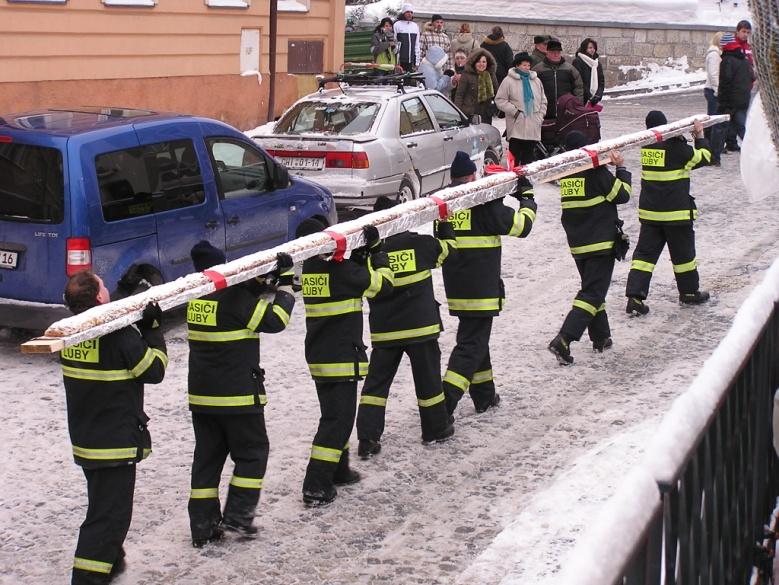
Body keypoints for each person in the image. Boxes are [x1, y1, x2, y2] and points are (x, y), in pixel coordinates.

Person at [186, 241, 295, 546]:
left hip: (203, 398)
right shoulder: (235, 299)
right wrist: (286, 285)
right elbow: (276, 321)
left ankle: (202, 526)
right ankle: (238, 517)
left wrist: (260, 281)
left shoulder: (196, 297)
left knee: (207, 461)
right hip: (237, 397)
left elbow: (237, 299)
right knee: (252, 454)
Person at [61, 271, 167, 584]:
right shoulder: (119, 336)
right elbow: (155, 369)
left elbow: (101, 319)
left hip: (87, 439)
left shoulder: (70, 333)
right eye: (104, 286)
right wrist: (152, 329)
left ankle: (111, 563)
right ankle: (88, 577)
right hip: (114, 442)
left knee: (104, 508)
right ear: (98, 298)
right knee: (109, 518)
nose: (107, 288)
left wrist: (123, 292)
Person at [300, 219, 394, 505]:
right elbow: (384, 285)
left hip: (320, 356)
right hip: (341, 357)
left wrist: (359, 256)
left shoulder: (311, 269)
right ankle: (315, 484)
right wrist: (377, 252)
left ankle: (338, 471)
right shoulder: (341, 272)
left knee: (332, 415)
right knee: (337, 422)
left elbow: (347, 275)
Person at [356, 196, 458, 458]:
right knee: (428, 382)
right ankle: (435, 429)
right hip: (421, 328)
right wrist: (443, 222)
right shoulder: (419, 244)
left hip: (385, 330)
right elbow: (448, 250)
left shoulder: (367, 255)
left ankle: (368, 438)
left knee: (376, 387)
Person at [441, 151, 537, 416]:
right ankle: (444, 403)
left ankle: (484, 396)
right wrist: (527, 198)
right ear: (473, 176)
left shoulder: (448, 204)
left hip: (457, 288)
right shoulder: (483, 202)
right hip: (481, 288)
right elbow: (522, 226)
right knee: (471, 345)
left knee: (475, 340)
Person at [547, 131, 632, 365]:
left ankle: (601, 336)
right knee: (592, 293)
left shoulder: (568, 176)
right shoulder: (596, 174)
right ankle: (564, 339)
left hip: (579, 244)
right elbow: (623, 195)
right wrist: (621, 168)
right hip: (600, 243)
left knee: (593, 289)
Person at [625, 112, 712, 316]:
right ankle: (689, 292)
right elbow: (705, 157)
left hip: (651, 215)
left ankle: (634, 297)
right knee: (683, 256)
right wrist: (699, 136)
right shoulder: (677, 148)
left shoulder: (647, 148)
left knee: (644, 257)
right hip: (676, 214)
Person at [495, 51, 548, 165]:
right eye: (524, 65)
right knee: (514, 157)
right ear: (517, 65)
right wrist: (515, 112)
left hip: (533, 125)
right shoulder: (508, 80)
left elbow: (543, 100)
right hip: (516, 125)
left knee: (528, 158)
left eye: (528, 65)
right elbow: (500, 100)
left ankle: (525, 180)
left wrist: (540, 115)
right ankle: (515, 179)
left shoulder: (536, 80)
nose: (527, 67)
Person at [712, 32, 754, 163]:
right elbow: (752, 77)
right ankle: (755, 153)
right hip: (743, 99)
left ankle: (714, 158)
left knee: (719, 127)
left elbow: (725, 83)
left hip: (730, 101)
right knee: (741, 128)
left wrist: (722, 102)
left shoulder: (727, 60)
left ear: (725, 46)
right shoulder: (744, 59)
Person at [533, 38, 584, 120]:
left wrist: (576, 106)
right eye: (553, 53)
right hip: (544, 114)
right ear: (547, 53)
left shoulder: (570, 69)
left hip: (566, 113)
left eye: (558, 52)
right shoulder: (537, 70)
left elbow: (579, 88)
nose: (556, 55)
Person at [454, 48, 498, 125]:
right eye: (478, 61)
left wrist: (494, 108)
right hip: (470, 113)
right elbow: (459, 95)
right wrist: (458, 112)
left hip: (486, 114)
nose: (481, 64)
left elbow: (496, 92)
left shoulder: (491, 75)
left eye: (484, 62)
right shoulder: (467, 75)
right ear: (474, 62)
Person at [703, 32, 724, 145]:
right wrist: (717, 90)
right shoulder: (714, 54)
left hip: (712, 89)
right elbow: (713, 74)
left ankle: (712, 142)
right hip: (712, 90)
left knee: (713, 117)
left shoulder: (716, 53)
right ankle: (709, 142)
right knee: (713, 118)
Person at [572, 38, 605, 106]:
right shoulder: (578, 62)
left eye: (594, 48)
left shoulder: (597, 63)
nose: (592, 50)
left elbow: (601, 81)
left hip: (594, 101)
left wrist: (598, 95)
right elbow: (579, 82)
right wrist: (589, 96)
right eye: (590, 47)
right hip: (581, 99)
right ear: (584, 48)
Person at [394, 4, 420, 73]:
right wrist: (395, 62)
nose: (409, 14)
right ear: (403, 13)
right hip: (400, 61)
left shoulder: (415, 26)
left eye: (411, 12)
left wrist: (417, 62)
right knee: (399, 81)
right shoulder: (397, 25)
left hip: (411, 61)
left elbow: (417, 45)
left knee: (409, 81)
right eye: (407, 12)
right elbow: (394, 43)